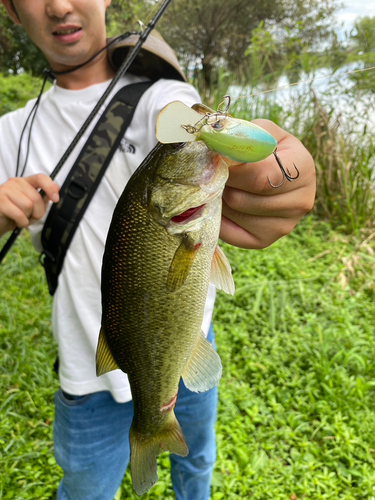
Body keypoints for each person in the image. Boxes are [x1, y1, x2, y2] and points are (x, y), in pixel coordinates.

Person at [0, 1, 316, 499]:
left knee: (197, 464)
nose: (60, 4)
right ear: (11, 11)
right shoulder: (10, 133)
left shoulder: (160, 99)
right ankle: (151, 431)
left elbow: (184, 123)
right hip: (87, 369)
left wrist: (279, 167)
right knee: (85, 488)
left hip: (186, 340)